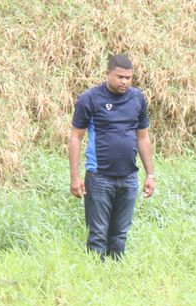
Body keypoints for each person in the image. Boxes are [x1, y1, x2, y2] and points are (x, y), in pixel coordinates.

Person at [68, 54, 155, 259]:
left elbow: (143, 138)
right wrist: (75, 177)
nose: (124, 81)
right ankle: (95, 278)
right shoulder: (90, 98)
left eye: (128, 77)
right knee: (98, 234)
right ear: (108, 74)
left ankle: (115, 276)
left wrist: (150, 174)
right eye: (120, 76)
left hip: (129, 177)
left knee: (120, 235)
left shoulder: (137, 98)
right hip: (99, 176)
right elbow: (75, 137)